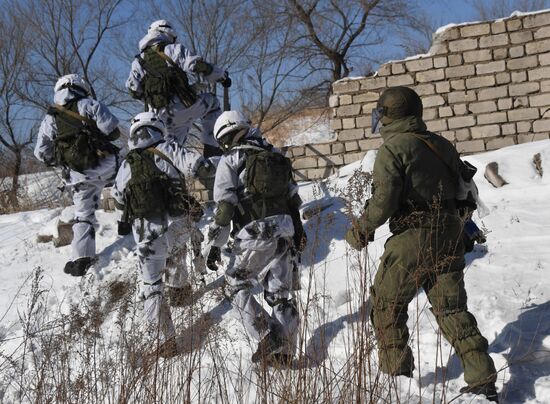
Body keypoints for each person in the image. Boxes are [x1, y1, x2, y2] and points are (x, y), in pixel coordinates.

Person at [345, 86, 498, 402]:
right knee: (452, 309)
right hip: (450, 234)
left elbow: (384, 200)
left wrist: (360, 229)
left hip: (413, 238)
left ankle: (396, 379)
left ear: (386, 114)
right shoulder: (440, 144)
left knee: (387, 306)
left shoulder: (392, 149)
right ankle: (482, 377)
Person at [204, 110, 307, 365]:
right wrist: (299, 232)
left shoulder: (230, 159)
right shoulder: (275, 155)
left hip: (254, 232)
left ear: (224, 137)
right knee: (281, 294)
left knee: (236, 284)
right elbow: (294, 199)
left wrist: (216, 245)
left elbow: (225, 206)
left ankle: (267, 333)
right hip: (285, 229)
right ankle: (284, 351)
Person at [111, 112, 209, 353]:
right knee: (176, 251)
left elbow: (118, 199)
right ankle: (180, 291)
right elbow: (197, 165)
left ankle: (165, 341)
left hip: (147, 235)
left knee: (151, 286)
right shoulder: (168, 148)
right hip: (179, 225)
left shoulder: (127, 164)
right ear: (157, 129)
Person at [34, 74, 120, 276]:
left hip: (78, 176)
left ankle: (81, 259)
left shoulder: (50, 118)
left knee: (83, 216)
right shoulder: (90, 105)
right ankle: (127, 227)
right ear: (81, 87)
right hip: (107, 166)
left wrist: (64, 159)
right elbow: (113, 132)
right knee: (126, 185)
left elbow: (40, 152)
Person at [126, 19, 231, 156]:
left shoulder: (138, 62)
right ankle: (212, 149)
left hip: (159, 117)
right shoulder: (172, 49)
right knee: (212, 103)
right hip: (182, 108)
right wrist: (221, 76)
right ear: (167, 32)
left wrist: (157, 99)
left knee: (173, 150)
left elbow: (133, 90)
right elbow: (197, 66)